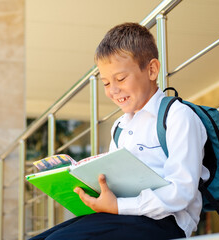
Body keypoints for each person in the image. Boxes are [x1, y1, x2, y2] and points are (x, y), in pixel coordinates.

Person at [30, 22, 209, 240]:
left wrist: (118, 206)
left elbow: (182, 192)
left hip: (167, 222)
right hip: (122, 214)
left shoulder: (178, 116)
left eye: (121, 79)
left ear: (151, 70)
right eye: (105, 83)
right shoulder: (120, 126)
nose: (113, 90)